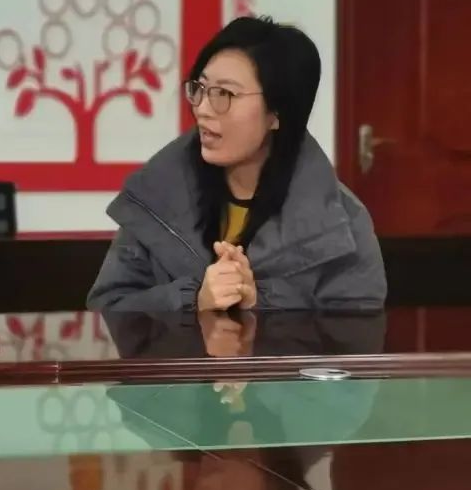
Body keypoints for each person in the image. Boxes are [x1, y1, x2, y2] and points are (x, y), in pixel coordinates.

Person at [87, 16, 386, 312]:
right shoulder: (158, 194)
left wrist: (259, 303)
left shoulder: (342, 222)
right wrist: (193, 300)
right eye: (201, 88)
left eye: (225, 94)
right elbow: (108, 307)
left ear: (277, 113)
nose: (203, 109)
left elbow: (358, 329)